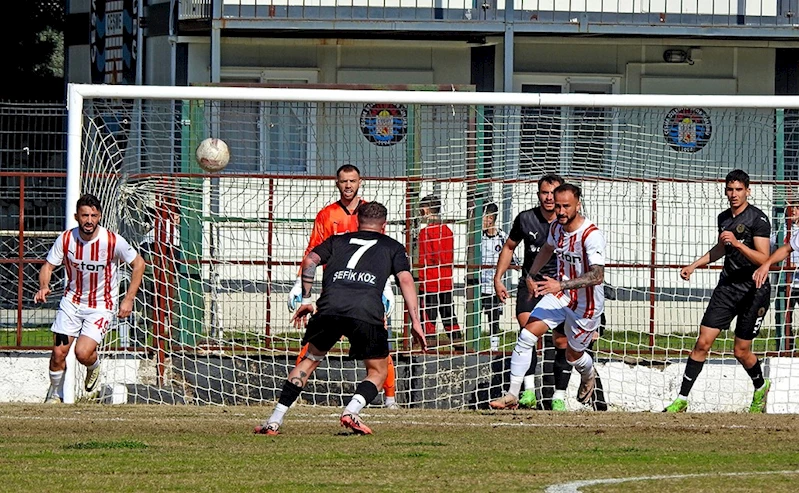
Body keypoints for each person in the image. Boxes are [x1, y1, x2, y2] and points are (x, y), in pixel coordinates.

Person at [255, 202, 426, 435]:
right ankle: (351, 411)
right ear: (384, 225)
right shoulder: (392, 246)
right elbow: (406, 281)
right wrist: (415, 321)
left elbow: (310, 260)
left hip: (329, 307)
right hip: (366, 311)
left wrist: (306, 299)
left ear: (357, 221)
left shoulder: (338, 240)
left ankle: (274, 421)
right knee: (378, 371)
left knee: (309, 361)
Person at [286, 164, 399, 409]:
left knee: (379, 343)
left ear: (360, 182)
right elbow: (313, 250)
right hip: (335, 290)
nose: (348, 185)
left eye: (352, 181)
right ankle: (291, 395)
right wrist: (300, 283)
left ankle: (390, 397)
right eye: (344, 181)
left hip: (368, 289)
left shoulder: (370, 212)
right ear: (337, 183)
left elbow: (382, 250)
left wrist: (386, 286)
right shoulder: (326, 215)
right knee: (312, 344)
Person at [490, 183, 605, 410]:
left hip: (586, 305)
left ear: (578, 205)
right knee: (526, 336)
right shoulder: (556, 228)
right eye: (558, 206)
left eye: (566, 206)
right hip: (560, 296)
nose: (561, 211)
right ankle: (513, 394)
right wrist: (531, 275)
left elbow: (598, 276)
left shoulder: (591, 235)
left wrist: (560, 284)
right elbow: (546, 249)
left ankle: (588, 373)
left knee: (573, 355)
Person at [665, 169, 771, 413]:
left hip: (754, 290)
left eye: (738, 190)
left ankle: (760, 386)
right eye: (730, 189)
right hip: (727, 288)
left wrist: (737, 243)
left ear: (748, 191)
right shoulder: (724, 217)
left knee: (741, 351)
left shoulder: (758, 219)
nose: (733, 194)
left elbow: (763, 258)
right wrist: (694, 265)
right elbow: (720, 249)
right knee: (703, 342)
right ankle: (682, 399)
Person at [34, 193, 145, 403]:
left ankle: (93, 367)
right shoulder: (66, 239)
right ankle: (54, 394)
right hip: (71, 303)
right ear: (77, 216)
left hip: (101, 306)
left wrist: (128, 299)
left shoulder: (112, 241)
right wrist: (44, 286)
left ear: (100, 216)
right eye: (85, 215)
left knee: (83, 353)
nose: (89, 220)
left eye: (94, 215)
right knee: (58, 353)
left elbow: (139, 264)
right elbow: (48, 266)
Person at [492, 173, 575, 411]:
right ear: (538, 194)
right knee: (527, 334)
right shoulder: (525, 219)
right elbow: (509, 247)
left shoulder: (569, 223)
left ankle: (558, 396)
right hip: (531, 286)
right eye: (544, 193)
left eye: (553, 193)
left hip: (560, 290)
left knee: (561, 341)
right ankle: (528, 392)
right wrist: (499, 278)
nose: (549, 198)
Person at [418, 195, 461, 347]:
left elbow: (427, 258)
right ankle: (457, 342)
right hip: (445, 280)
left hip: (429, 280)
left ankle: (427, 344)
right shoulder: (447, 231)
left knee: (428, 314)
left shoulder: (425, 233)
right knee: (448, 312)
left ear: (425, 210)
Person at [480, 202, 517, 351]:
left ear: (490, 218)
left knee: (493, 317)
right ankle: (472, 345)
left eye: (483, 217)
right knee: (473, 315)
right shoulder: (478, 238)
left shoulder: (502, 237)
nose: (481, 221)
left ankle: (494, 346)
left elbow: (513, 260)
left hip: (494, 286)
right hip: (478, 285)